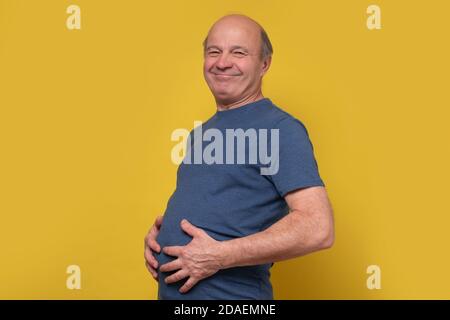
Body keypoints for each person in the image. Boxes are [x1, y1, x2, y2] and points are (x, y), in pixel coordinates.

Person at [144, 14, 335, 300]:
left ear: (264, 64)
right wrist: (160, 235)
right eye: (214, 51)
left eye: (239, 52)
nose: (222, 62)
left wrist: (219, 255)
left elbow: (318, 228)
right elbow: (221, 208)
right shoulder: (202, 133)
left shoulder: (280, 128)